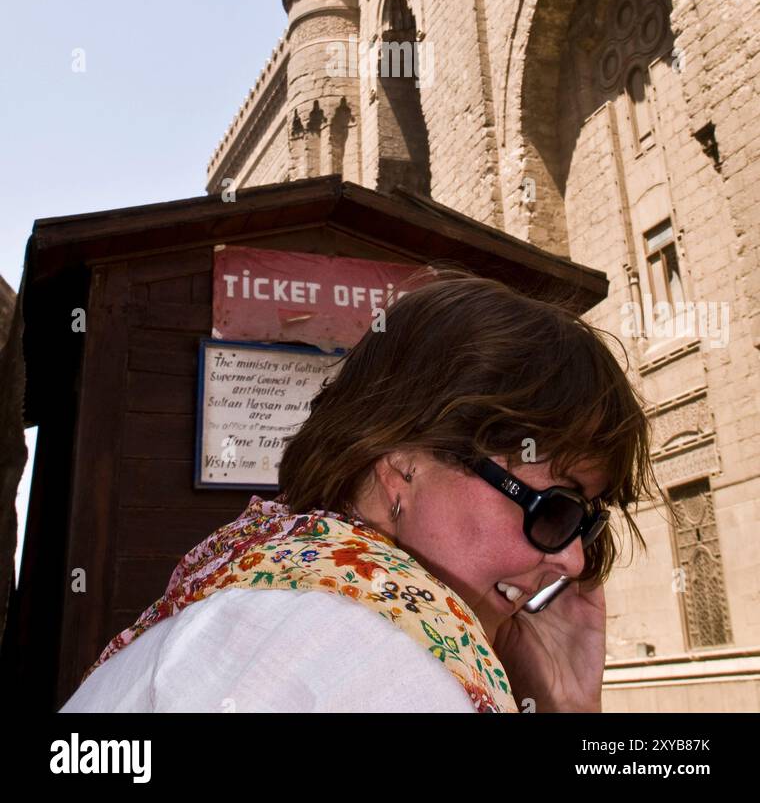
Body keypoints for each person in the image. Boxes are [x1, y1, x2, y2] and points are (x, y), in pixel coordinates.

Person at [59, 268, 657, 713]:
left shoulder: (281, 586)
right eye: (553, 508)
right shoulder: (371, 652)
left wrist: (564, 706)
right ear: (403, 464)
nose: (572, 559)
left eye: (583, 523)